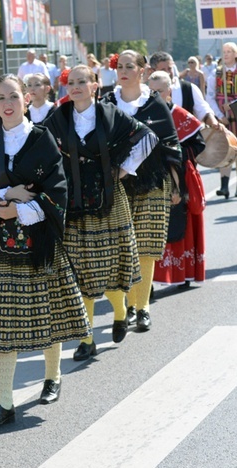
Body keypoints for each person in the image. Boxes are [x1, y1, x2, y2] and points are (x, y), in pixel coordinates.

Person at [0, 74, 89, 428]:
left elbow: (58, 192)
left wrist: (22, 207)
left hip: (38, 241)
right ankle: (4, 402)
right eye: (1, 98)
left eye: (14, 97)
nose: (8, 103)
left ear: (26, 100)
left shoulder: (42, 139)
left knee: (45, 314)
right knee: (1, 325)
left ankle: (52, 377)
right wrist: (1, 203)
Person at [45, 65, 158, 360]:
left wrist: (124, 169)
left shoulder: (110, 114)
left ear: (96, 85)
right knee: (78, 272)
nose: (77, 87)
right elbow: (41, 147)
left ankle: (121, 312)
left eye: (83, 81)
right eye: (72, 83)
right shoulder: (59, 116)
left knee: (110, 268)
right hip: (73, 204)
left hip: (109, 200)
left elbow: (147, 137)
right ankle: (86, 339)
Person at [101, 50, 181, 334]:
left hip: (152, 182)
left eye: (129, 66)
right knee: (123, 247)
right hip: (116, 184)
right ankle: (128, 305)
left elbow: (171, 144)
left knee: (146, 246)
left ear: (142, 70)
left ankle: (143, 307)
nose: (123, 71)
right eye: (119, 66)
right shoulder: (107, 102)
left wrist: (176, 185)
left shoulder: (154, 103)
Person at [147, 71, 207, 287]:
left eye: (160, 91)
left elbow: (198, 145)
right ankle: (149, 281)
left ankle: (183, 274)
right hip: (151, 180)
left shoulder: (181, 115)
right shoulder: (143, 114)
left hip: (178, 180)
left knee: (182, 227)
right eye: (151, 92)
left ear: (169, 91)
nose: (155, 95)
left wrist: (174, 153)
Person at [205, 42, 237, 197]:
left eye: (229, 51)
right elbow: (209, 96)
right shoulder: (216, 73)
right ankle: (224, 186)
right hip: (224, 119)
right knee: (226, 150)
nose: (226, 54)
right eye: (224, 51)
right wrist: (219, 114)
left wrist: (232, 105)